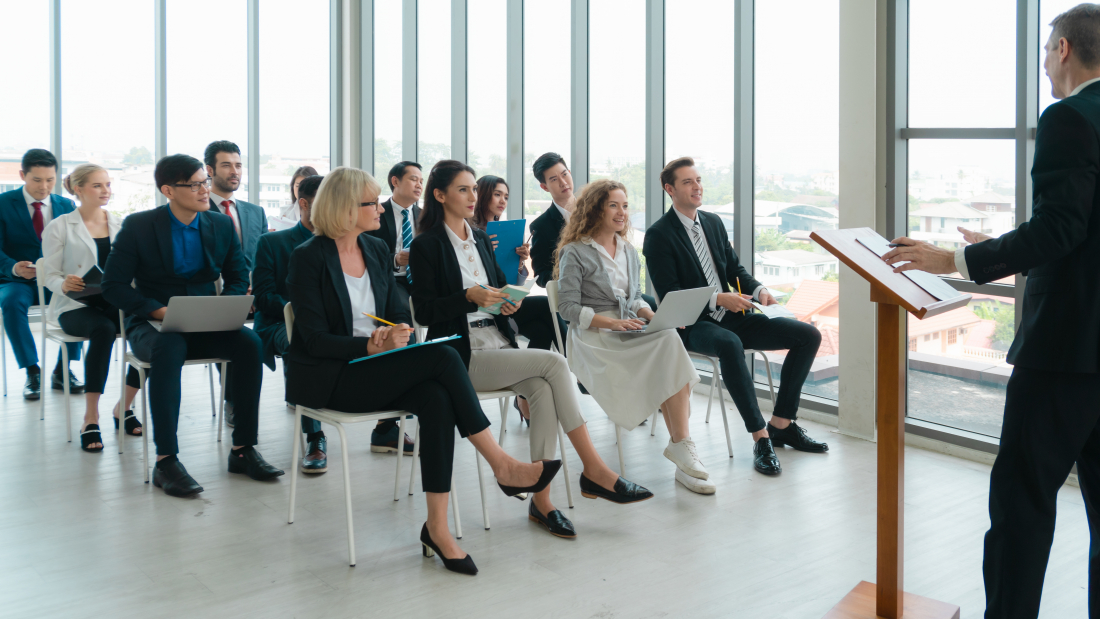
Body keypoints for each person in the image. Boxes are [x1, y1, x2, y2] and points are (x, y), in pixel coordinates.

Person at [882, 6, 1100, 615]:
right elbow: (1084, 236)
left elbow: (1061, 229)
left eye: (1045, 52)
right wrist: (1010, 247)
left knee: (1022, 508)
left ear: (1061, 49)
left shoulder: (1068, 116)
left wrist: (953, 256)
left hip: (1064, 352)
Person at [286, 166, 560, 573]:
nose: (381, 209)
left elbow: (400, 311)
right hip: (334, 377)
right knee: (445, 355)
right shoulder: (308, 258)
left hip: (380, 367)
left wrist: (396, 330)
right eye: (371, 203)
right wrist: (365, 344)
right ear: (345, 208)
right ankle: (501, 464)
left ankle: (437, 527)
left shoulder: (376, 249)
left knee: (435, 399)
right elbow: (310, 338)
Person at [410, 160, 652, 538]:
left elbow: (503, 288)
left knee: (541, 390)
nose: (473, 196)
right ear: (439, 195)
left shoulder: (480, 238)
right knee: (555, 364)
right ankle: (595, 470)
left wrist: (510, 301)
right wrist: (466, 297)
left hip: (497, 340)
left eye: (474, 188)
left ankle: (543, 502)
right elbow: (424, 310)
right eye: (463, 190)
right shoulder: (426, 245)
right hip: (460, 356)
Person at [102, 154, 283, 498]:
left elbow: (236, 276)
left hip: (206, 320)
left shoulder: (220, 224)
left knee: (250, 345)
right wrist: (155, 311)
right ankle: (166, 460)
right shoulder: (139, 226)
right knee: (167, 349)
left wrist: (224, 307)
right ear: (168, 190)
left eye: (205, 181)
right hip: (153, 323)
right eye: (195, 184)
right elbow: (114, 286)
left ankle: (243, 449)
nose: (205, 189)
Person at [644, 157, 826, 477]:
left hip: (733, 314)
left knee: (807, 335)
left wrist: (759, 292)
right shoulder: (659, 235)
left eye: (698, 180)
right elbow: (671, 294)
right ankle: (760, 437)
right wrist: (717, 298)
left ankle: (782, 424)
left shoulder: (712, 222)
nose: (697, 186)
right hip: (692, 324)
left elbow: (734, 270)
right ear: (669, 189)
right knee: (729, 343)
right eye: (687, 182)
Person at [555, 179, 709, 494]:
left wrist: (655, 317)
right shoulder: (575, 251)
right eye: (613, 205)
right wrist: (610, 324)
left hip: (626, 327)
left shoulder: (628, 249)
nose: (622, 212)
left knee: (667, 338)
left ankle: (682, 444)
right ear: (596, 208)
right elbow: (567, 308)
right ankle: (682, 445)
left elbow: (636, 299)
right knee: (669, 351)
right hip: (593, 336)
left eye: (625, 206)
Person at [42, 164, 143, 452]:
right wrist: (64, 283)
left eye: (108, 185)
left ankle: (122, 407)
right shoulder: (60, 226)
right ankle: (90, 417)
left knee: (145, 325)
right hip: (73, 306)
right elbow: (48, 274)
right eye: (98, 185)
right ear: (78, 189)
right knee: (104, 329)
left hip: (112, 299)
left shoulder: (121, 224)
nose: (106, 191)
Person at [253, 174, 325, 471]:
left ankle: (387, 425)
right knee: (303, 342)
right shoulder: (272, 242)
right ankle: (315, 437)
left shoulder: (345, 243)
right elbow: (264, 296)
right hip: (280, 323)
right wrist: (303, 310)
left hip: (329, 324)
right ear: (304, 204)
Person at [0, 148, 84, 400]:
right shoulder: (3, 203)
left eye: (50, 180)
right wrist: (14, 267)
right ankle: (31, 371)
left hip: (55, 277)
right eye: (37, 180)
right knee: (11, 302)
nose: (44, 186)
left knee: (80, 297)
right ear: (22, 175)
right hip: (18, 279)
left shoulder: (66, 205)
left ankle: (63, 369)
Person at [472, 175, 555, 424]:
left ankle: (525, 397)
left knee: (543, 327)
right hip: (483, 306)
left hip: (506, 303)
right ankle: (575, 365)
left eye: (506, 196)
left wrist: (520, 263)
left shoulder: (505, 230)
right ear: (483, 194)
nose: (502, 201)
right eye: (497, 194)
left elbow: (513, 282)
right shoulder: (471, 233)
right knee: (544, 305)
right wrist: (486, 253)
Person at [204, 140, 268, 424]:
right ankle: (232, 399)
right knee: (227, 334)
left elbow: (262, 258)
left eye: (238, 165)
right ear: (210, 169)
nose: (235, 171)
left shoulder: (255, 212)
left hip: (256, 293)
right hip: (217, 295)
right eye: (227, 165)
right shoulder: (198, 211)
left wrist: (256, 285)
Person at [363, 160, 424, 455]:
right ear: (394, 181)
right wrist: (395, 260)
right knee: (406, 327)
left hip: (421, 283)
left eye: (421, 180)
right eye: (413, 179)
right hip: (391, 282)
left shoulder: (425, 217)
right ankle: (388, 424)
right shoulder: (376, 213)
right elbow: (367, 256)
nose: (418, 184)